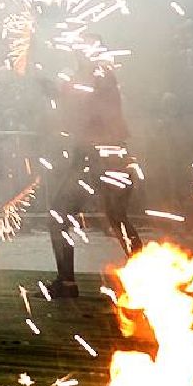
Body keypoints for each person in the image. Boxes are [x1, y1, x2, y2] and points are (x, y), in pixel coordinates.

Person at [38, 46, 142, 298]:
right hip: (110, 156)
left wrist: (57, 91)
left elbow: (83, 111)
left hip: (96, 159)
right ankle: (146, 276)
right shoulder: (98, 78)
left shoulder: (98, 79)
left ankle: (66, 282)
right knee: (116, 217)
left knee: (60, 217)